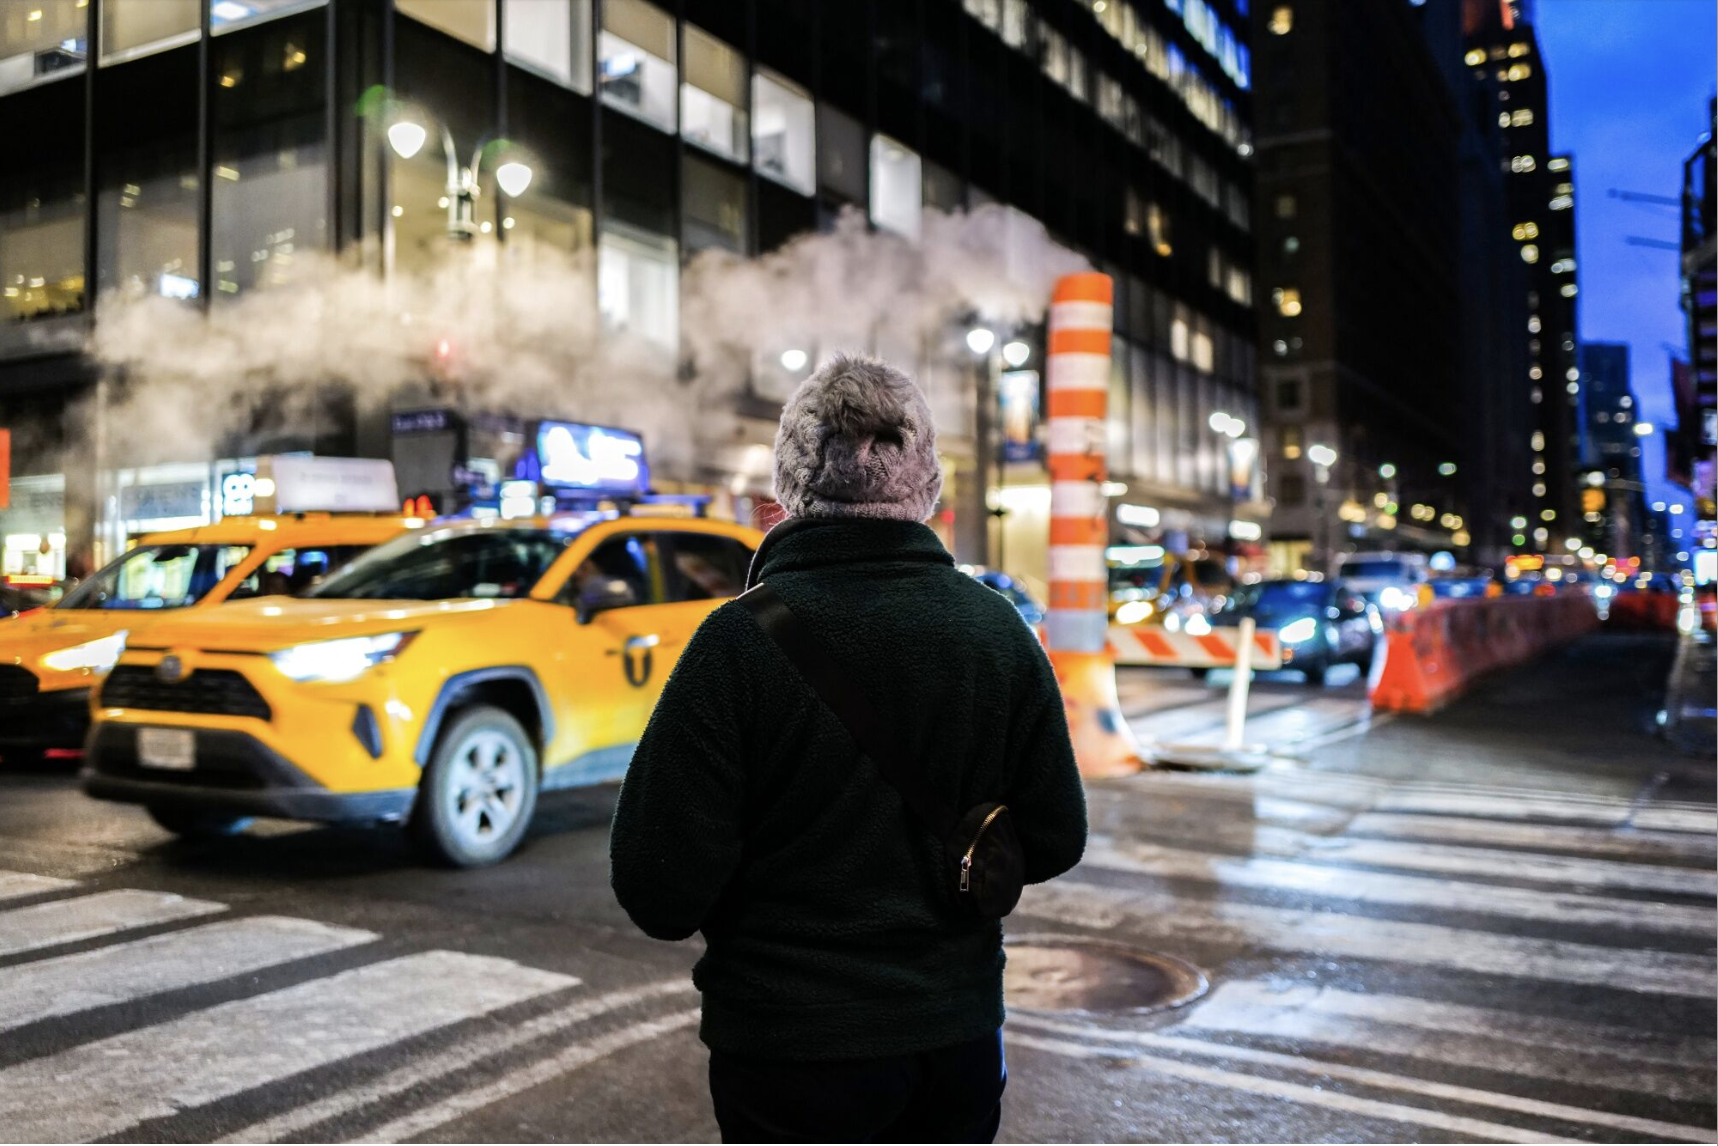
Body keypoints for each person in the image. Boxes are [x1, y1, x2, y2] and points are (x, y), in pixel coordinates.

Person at [610, 354, 1087, 1143]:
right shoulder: (997, 632)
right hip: (955, 1035)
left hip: (785, 1049)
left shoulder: (734, 647)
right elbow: (1056, 836)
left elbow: (657, 890)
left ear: (789, 489)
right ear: (927, 483)